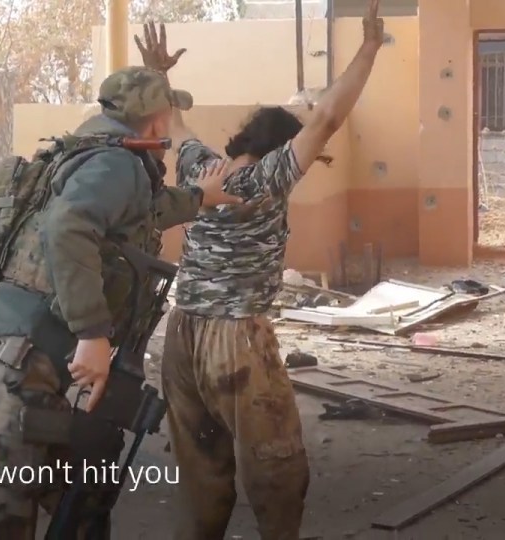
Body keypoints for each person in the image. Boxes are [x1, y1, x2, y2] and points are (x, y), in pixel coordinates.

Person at [0, 61, 243, 537]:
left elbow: (142, 211)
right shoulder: (115, 163)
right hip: (14, 358)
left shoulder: (101, 155)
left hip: (23, 355)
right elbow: (67, 227)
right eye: (171, 112)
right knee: (8, 509)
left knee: (84, 493)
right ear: (156, 118)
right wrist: (93, 335)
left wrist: (198, 197)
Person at [141, 1, 386, 538]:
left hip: (180, 336)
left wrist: (160, 72)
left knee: (202, 477)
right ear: (281, 145)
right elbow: (327, 117)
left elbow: (176, 124)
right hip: (237, 342)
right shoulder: (271, 178)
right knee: (277, 470)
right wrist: (368, 48)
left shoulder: (202, 167)